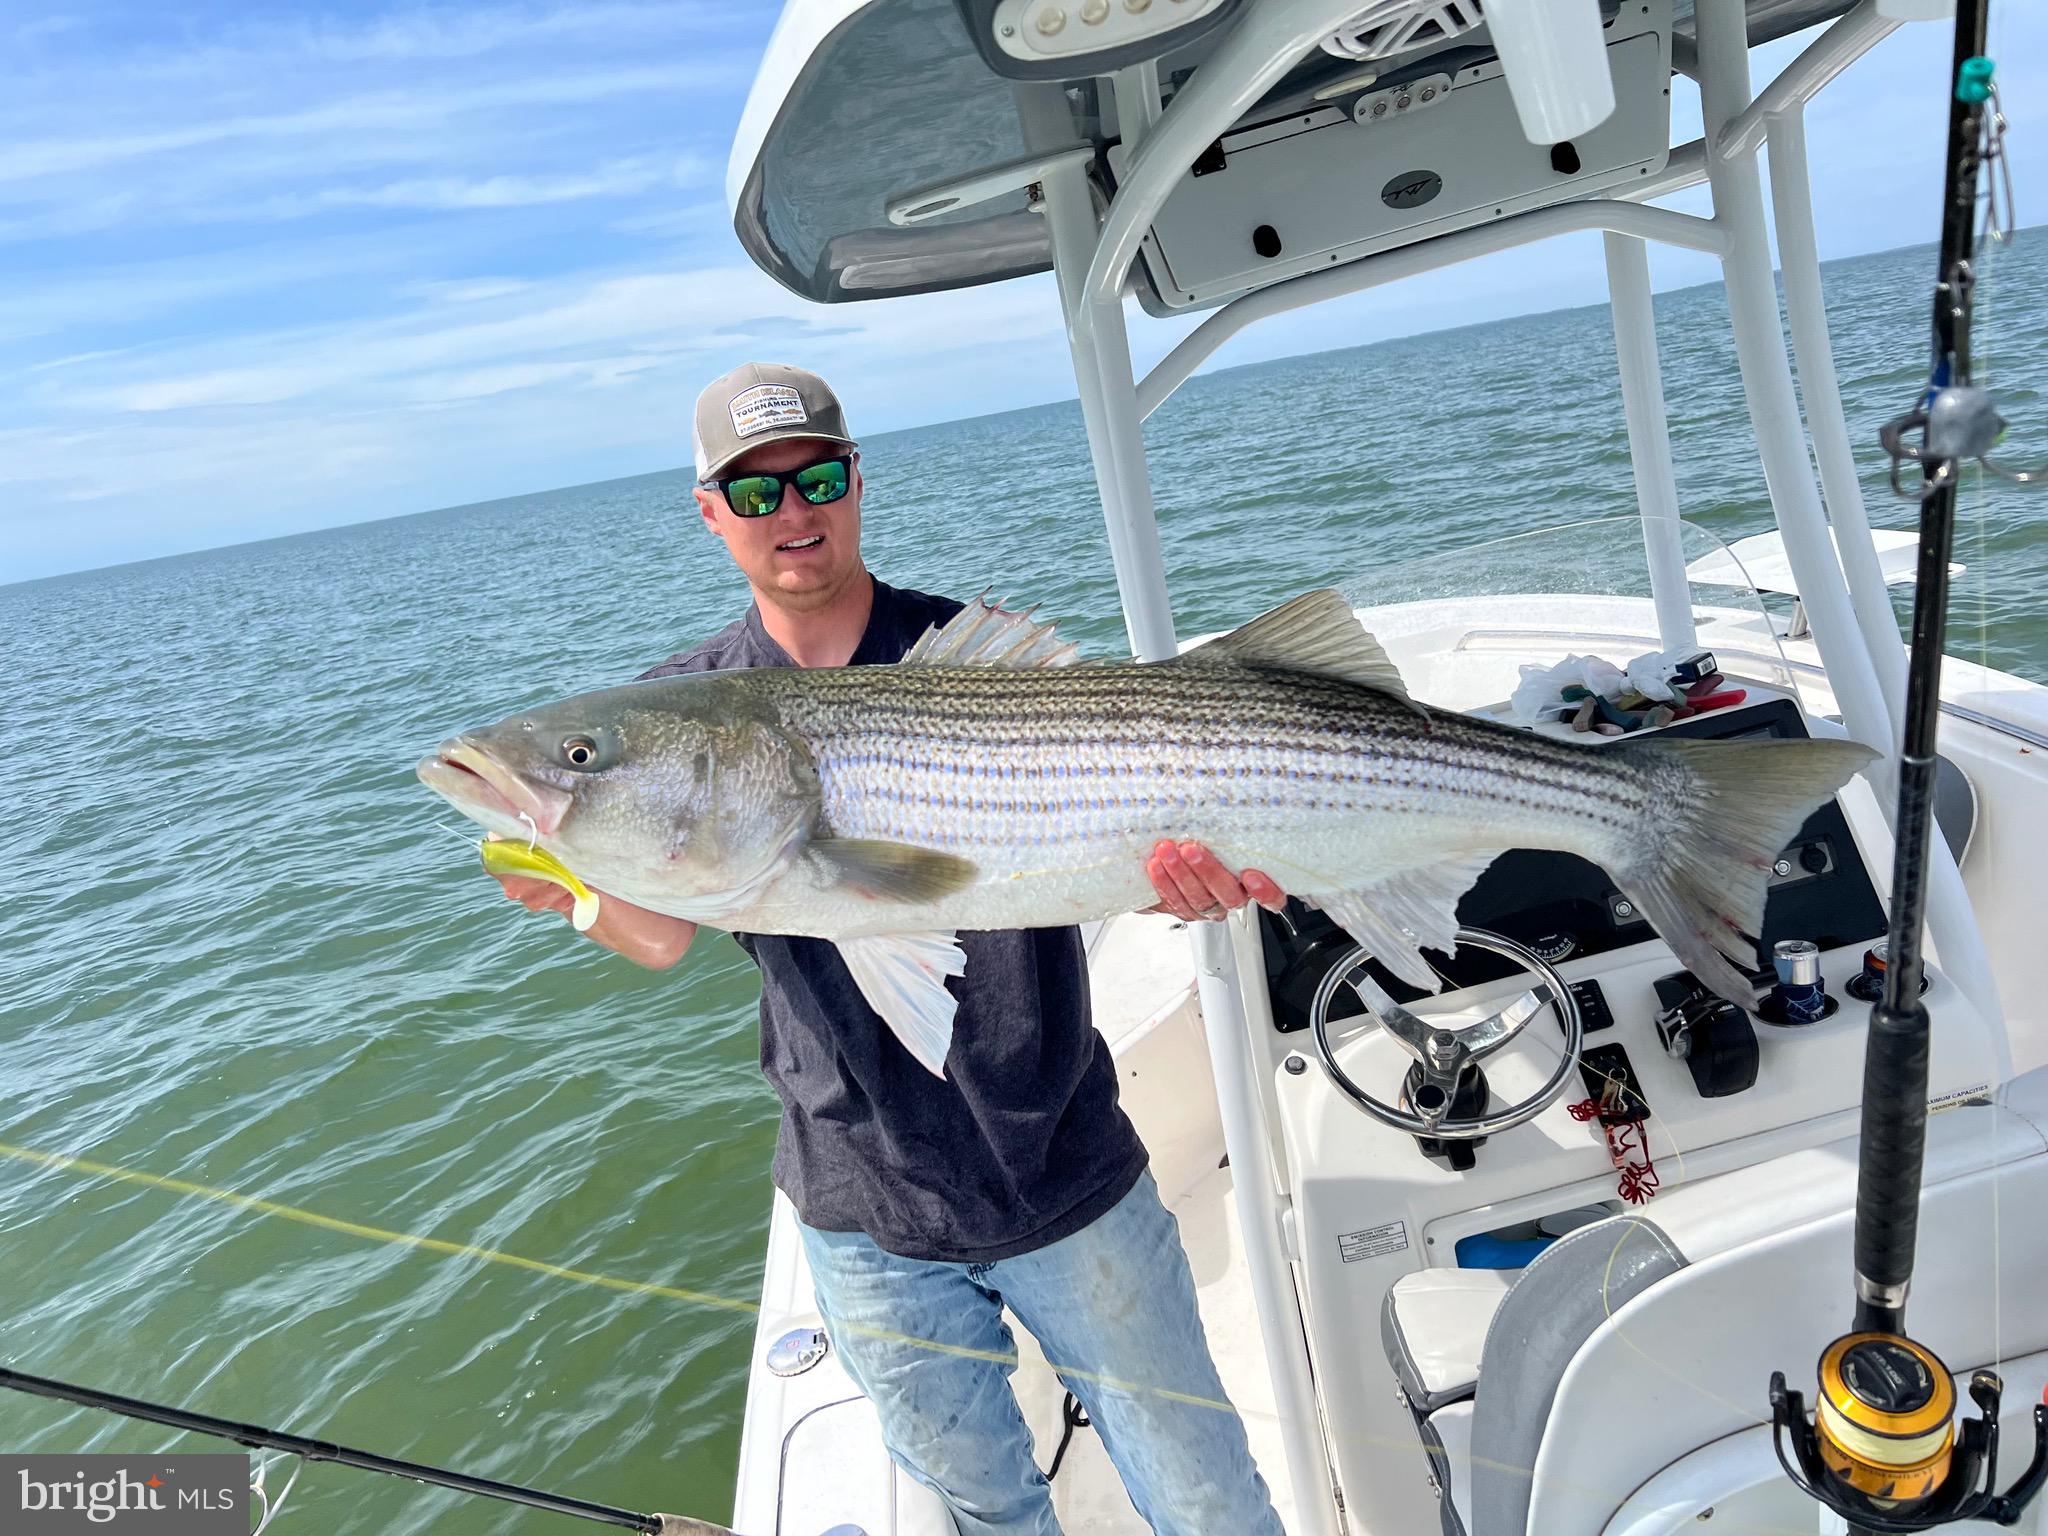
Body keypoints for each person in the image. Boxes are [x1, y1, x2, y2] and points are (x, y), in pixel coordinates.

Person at [489, 363, 1290, 1536]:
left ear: (855, 481)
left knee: (1204, 1494)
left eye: (815, 478)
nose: (792, 514)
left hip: (1060, 1161)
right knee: (981, 1513)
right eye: (754, 495)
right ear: (710, 514)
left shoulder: (960, 655)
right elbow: (661, 933)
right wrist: (569, 881)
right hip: (858, 1203)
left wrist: (1184, 888)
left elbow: (1104, 841)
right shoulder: (687, 707)